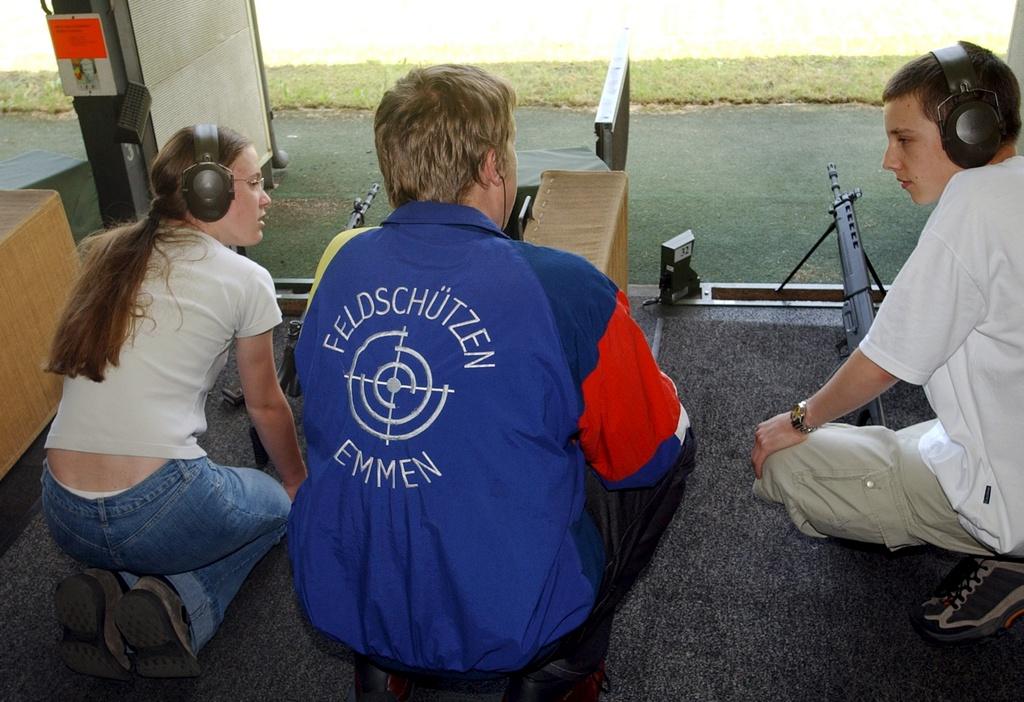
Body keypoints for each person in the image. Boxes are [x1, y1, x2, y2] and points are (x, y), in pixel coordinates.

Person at [288, 64, 695, 701]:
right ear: (490, 167)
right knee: (674, 438)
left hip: (345, 597)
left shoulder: (341, 263)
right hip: (509, 626)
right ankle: (562, 665)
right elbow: (647, 453)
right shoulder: (565, 287)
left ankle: (389, 658)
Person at [751, 41, 1024, 645]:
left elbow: (882, 363)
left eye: (904, 139)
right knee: (906, 441)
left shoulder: (974, 205)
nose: (888, 160)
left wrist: (798, 419)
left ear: (969, 132)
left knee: (790, 465)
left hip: (1012, 495)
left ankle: (1008, 555)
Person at [42, 124, 307, 680]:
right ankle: (183, 605)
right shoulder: (245, 279)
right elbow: (264, 405)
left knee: (151, 524)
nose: (265, 197)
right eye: (254, 183)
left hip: (63, 510)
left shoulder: (107, 253)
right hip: (159, 506)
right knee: (278, 511)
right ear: (209, 190)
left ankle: (109, 585)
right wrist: (296, 483)